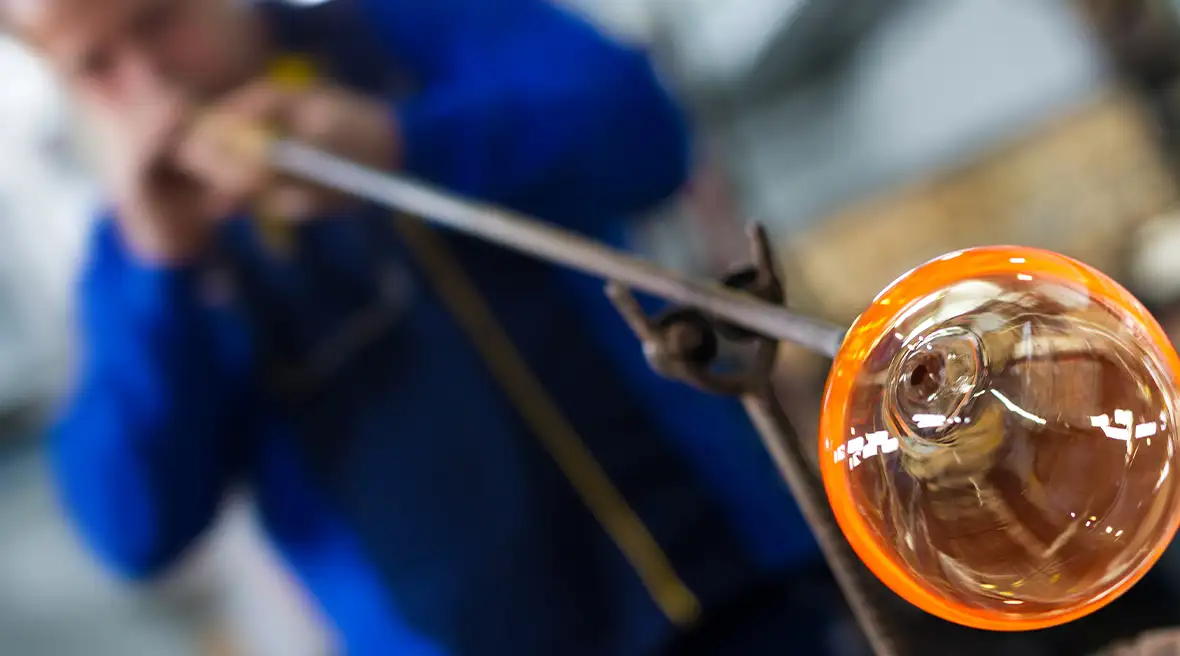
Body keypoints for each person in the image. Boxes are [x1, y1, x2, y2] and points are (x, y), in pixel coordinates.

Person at [10, 0, 831, 652]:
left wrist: (404, 140)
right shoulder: (134, 265)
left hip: (733, 581)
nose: (151, 77)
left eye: (158, 19)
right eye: (98, 67)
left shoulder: (409, 35)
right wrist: (162, 282)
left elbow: (645, 132)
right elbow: (133, 530)